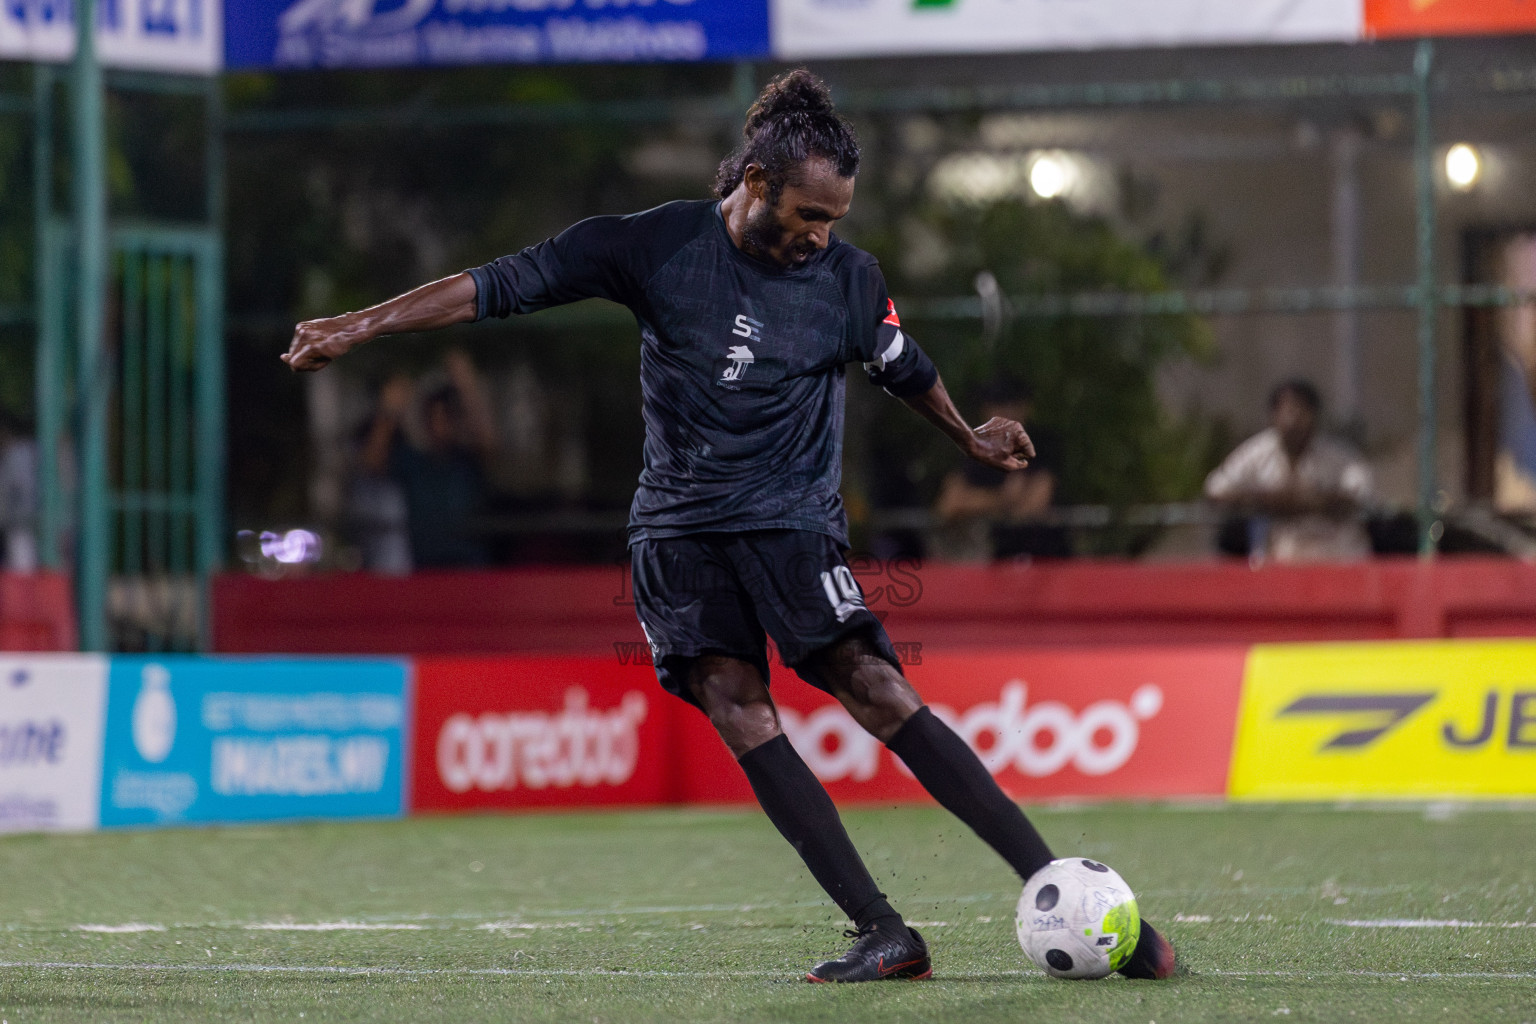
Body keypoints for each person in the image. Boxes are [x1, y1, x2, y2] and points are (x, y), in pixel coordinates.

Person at [283, 70, 1175, 984]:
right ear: (753, 182)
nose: (820, 235)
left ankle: (1065, 889)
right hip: (675, 534)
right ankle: (883, 931)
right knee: (739, 708)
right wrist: (361, 325)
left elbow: (904, 364)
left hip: (790, 524)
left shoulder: (849, 278)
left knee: (874, 684)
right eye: (807, 214)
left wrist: (970, 437)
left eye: (834, 218)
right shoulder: (656, 245)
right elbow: (501, 282)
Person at [357, 350, 500, 569]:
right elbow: (371, 463)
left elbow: (487, 441)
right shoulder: (413, 462)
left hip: (471, 568)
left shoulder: (467, 461)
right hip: (425, 570)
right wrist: (389, 411)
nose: (439, 426)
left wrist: (466, 384)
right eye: (433, 418)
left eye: (446, 417)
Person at [1205, 379, 1373, 563]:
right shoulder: (1258, 452)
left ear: (1315, 415)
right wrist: (1267, 500)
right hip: (1280, 558)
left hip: (1335, 555)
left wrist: (1304, 502)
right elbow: (1216, 489)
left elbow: (1359, 494)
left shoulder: (1340, 456)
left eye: (1302, 412)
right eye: (1289, 411)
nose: (1294, 421)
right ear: (1274, 415)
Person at [934, 378, 1071, 560]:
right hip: (996, 560)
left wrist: (977, 502)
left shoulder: (1043, 448)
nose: (1005, 414)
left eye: (1012, 406)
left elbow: (1033, 507)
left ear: (1026, 409)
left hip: (1045, 559)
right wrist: (1002, 499)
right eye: (997, 406)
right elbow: (949, 506)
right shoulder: (975, 453)